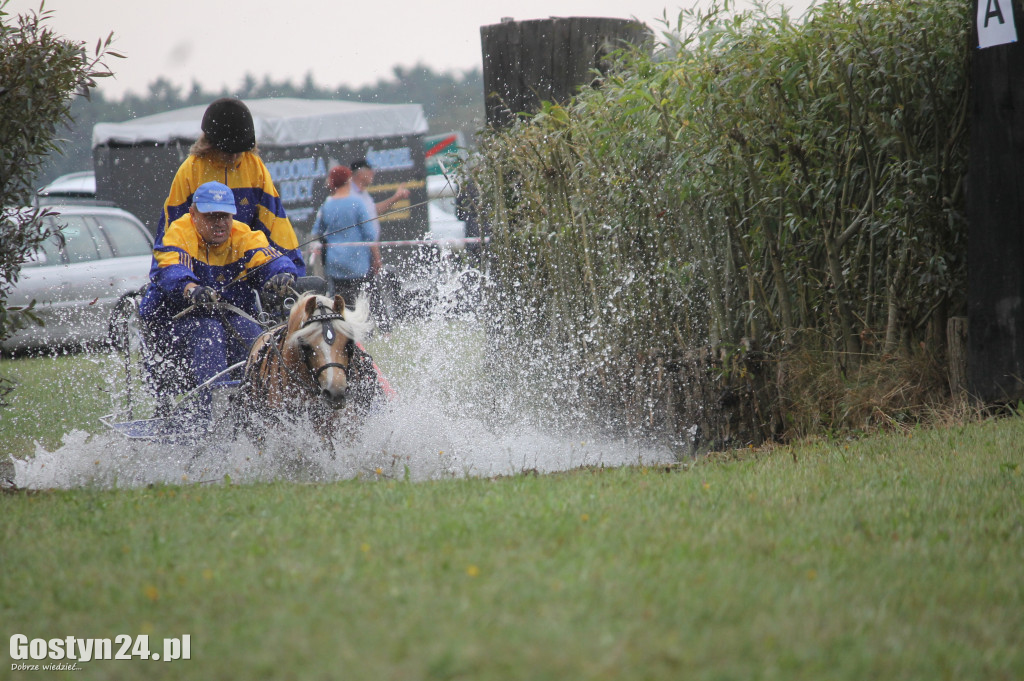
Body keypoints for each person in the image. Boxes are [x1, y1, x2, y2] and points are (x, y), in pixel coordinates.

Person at [140, 181, 298, 417]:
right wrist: (191, 289)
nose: (220, 223)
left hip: (228, 318)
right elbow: (172, 269)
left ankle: (259, 410)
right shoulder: (178, 232)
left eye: (225, 215)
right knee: (210, 333)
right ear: (193, 214)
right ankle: (213, 414)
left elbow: (267, 257)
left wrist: (282, 274)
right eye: (212, 216)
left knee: (256, 335)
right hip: (173, 324)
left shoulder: (243, 234)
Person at [156, 97, 305, 276]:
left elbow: (276, 225)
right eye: (228, 151)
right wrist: (172, 277)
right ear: (209, 144)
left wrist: (294, 272)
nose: (235, 157)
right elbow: (171, 232)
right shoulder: (190, 171)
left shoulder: (255, 168)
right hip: (198, 273)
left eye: (239, 150)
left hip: (245, 271)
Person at [309, 166, 377, 303]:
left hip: (334, 264)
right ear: (348, 180)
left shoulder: (327, 205)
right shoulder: (357, 203)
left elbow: (317, 231)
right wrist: (377, 258)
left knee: (341, 303)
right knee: (363, 302)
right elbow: (370, 234)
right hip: (358, 263)